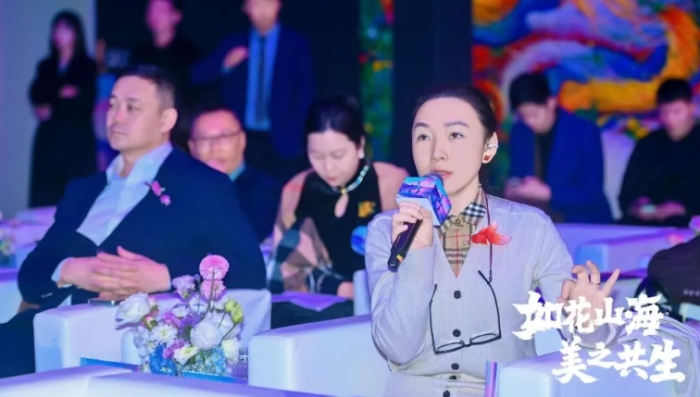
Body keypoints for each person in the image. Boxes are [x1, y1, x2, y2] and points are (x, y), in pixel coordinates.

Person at [0, 67, 265, 378]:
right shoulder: (83, 189)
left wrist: (166, 277)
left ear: (166, 120)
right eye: (112, 105)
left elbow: (249, 270)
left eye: (132, 107)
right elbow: (31, 277)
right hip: (40, 334)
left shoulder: (202, 184)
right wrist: (69, 270)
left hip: (118, 343)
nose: (116, 117)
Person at [365, 86, 622, 396]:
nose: (436, 152)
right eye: (423, 136)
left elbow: (585, 334)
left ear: (488, 147)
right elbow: (398, 349)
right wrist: (417, 253)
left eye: (455, 135)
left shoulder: (530, 226)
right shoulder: (387, 230)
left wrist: (589, 320)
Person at [269, 96, 407, 327]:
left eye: (338, 155)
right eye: (317, 156)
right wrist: (339, 288)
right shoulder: (297, 188)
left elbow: (406, 260)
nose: (328, 167)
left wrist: (360, 289)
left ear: (360, 145)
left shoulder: (390, 183)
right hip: (314, 308)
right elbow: (285, 264)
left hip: (377, 307)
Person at [191, 0, 314, 181]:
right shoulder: (234, 42)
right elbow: (197, 76)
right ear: (245, 7)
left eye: (268, 2)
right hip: (239, 136)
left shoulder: (295, 45)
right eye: (255, 3)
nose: (262, 10)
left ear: (279, 4)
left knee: (279, 191)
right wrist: (225, 65)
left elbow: (305, 95)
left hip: (282, 139)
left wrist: (298, 137)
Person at [506, 72, 612, 223]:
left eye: (534, 114)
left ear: (551, 103)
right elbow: (517, 174)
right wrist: (514, 186)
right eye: (523, 116)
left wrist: (548, 193)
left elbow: (592, 194)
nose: (529, 122)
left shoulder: (584, 132)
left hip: (582, 222)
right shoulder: (520, 132)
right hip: (536, 221)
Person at [29, 11, 97, 207]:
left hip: (77, 142)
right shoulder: (46, 66)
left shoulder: (87, 66)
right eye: (56, 30)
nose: (58, 34)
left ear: (76, 33)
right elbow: (36, 94)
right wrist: (61, 93)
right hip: (49, 143)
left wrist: (53, 108)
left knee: (77, 202)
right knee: (46, 199)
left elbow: (83, 104)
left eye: (65, 29)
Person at [188, 103, 281, 243]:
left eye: (224, 137)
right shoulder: (176, 189)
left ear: (242, 140)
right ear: (192, 147)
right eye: (204, 139)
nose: (215, 147)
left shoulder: (265, 190)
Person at [618, 79, 700, 227]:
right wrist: (638, 206)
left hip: (689, 224)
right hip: (646, 223)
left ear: (691, 108)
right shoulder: (647, 144)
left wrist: (683, 209)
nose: (670, 119)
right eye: (664, 112)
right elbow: (626, 195)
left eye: (676, 112)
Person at [130, 0, 201, 151]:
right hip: (144, 129)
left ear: (176, 16)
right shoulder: (140, 54)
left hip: (179, 131)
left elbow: (191, 96)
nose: (155, 15)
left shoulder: (189, 54)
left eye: (161, 10)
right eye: (151, 10)